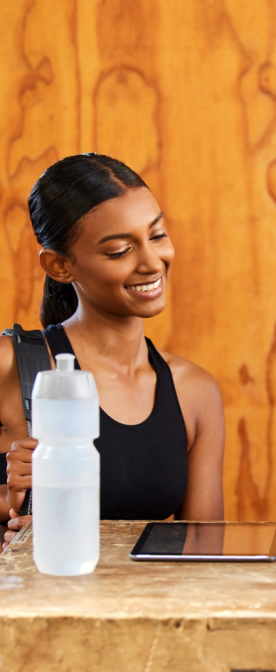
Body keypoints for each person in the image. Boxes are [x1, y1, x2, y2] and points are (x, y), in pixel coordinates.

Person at [0, 154, 225, 544]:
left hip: (144, 604)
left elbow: (204, 553)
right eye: (120, 250)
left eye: (157, 235)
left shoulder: (195, 392)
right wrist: (6, 501)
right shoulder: (9, 367)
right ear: (59, 266)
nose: (153, 262)